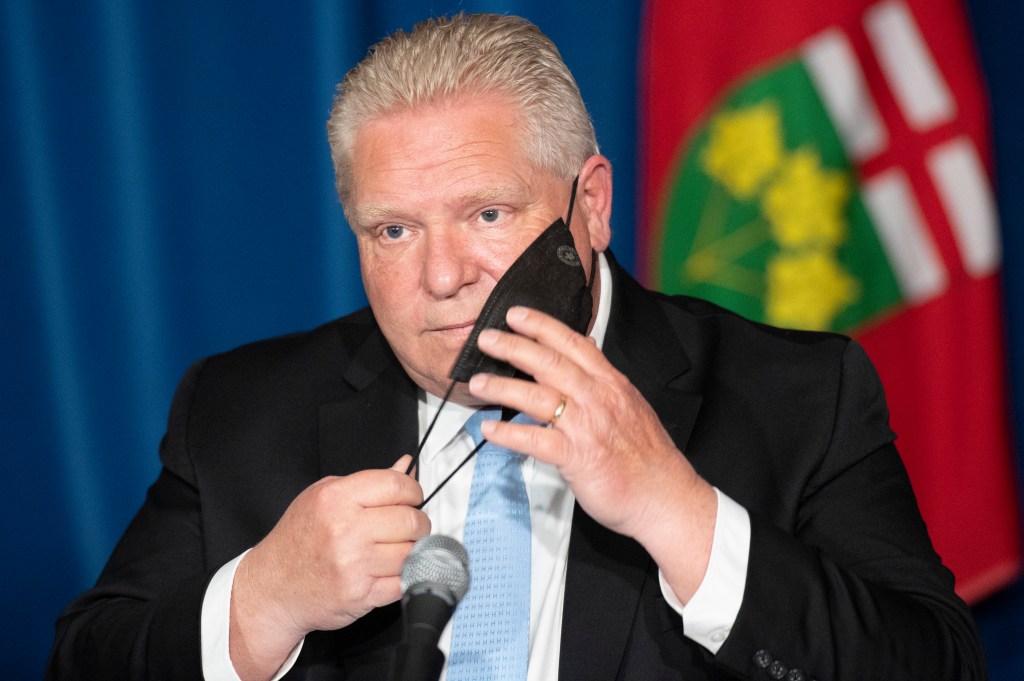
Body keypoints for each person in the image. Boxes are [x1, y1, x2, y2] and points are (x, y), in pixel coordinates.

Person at [47, 12, 985, 681]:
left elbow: (936, 664)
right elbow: (85, 659)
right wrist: (259, 602)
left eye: (485, 213)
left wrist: (680, 513)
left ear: (593, 204)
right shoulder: (238, 409)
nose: (442, 275)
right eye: (393, 232)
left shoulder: (798, 392)